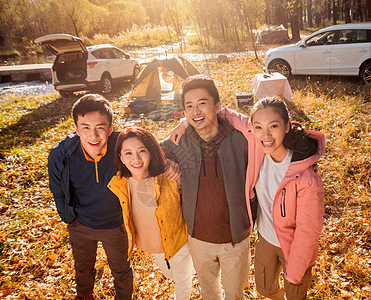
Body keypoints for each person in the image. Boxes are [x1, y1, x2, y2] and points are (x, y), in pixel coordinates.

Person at [171, 96, 325, 300]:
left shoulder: (306, 178)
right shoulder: (258, 149)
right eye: (258, 127)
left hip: (294, 245)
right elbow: (222, 112)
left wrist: (294, 274)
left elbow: (308, 231)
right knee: (265, 289)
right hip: (266, 238)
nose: (266, 135)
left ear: (287, 126)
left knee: (295, 294)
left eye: (274, 126)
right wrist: (184, 122)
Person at [48, 94, 180, 300]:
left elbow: (149, 151)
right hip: (80, 224)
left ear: (110, 128)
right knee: (83, 267)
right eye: (85, 127)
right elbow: (57, 189)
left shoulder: (121, 145)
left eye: (100, 127)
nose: (94, 135)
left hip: (115, 224)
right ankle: (84, 295)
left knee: (121, 270)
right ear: (76, 127)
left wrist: (168, 163)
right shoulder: (61, 155)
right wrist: (68, 218)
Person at [161, 74, 252, 300]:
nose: (196, 112)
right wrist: (167, 162)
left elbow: (268, 133)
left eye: (202, 103)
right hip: (198, 238)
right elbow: (150, 151)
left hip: (236, 239)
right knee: (209, 293)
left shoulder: (240, 140)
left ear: (218, 106)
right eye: (189, 107)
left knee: (234, 295)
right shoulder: (179, 141)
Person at [107, 127, 193, 300]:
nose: (136, 159)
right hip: (153, 245)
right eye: (128, 153)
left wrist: (172, 164)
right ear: (121, 158)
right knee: (171, 275)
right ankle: (191, 268)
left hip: (177, 241)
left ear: (151, 152)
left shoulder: (168, 177)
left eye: (142, 151)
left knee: (182, 281)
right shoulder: (121, 182)